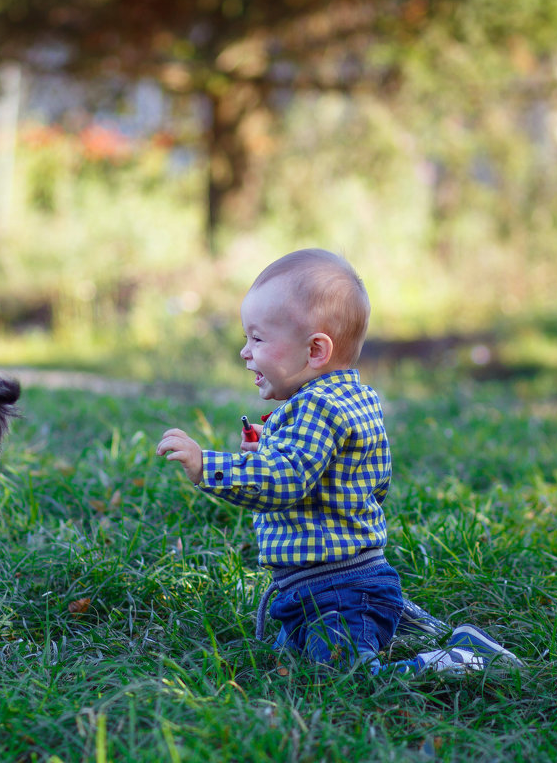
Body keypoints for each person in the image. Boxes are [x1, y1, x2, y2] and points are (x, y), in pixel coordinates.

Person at [156, 249, 521, 674]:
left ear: (315, 350)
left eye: (257, 339)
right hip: (328, 585)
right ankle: (413, 627)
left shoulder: (318, 409)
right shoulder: (349, 399)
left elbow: (286, 481)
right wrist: (268, 453)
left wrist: (208, 465)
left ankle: (467, 658)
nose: (244, 352)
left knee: (350, 676)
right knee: (290, 662)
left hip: (336, 590)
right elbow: (347, 479)